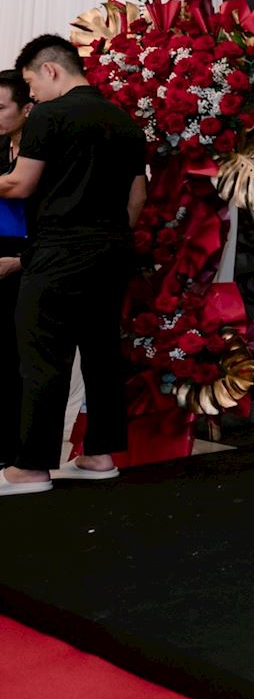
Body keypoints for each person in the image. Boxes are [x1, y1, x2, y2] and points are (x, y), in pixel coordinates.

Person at [0, 36, 147, 496]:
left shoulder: (50, 115)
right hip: (112, 250)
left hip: (59, 251)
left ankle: (30, 468)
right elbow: (137, 197)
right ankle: (99, 455)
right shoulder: (123, 120)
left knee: (42, 355)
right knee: (101, 352)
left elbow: (20, 184)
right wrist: (106, 236)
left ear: (50, 70)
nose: (31, 95)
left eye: (30, 84)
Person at [0, 71, 31, 471]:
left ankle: (17, 452)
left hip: (28, 259)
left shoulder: (43, 156)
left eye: (0, 107)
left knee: (18, 362)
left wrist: (21, 261)